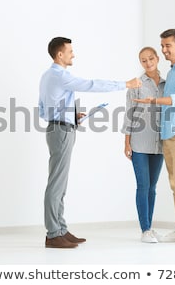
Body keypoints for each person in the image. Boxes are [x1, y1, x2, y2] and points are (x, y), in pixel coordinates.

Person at [38, 36, 141, 249]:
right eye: (70, 51)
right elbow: (90, 85)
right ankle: (53, 234)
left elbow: (43, 109)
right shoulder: (59, 75)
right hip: (61, 131)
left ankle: (60, 229)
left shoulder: (47, 76)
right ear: (60, 54)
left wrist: (70, 114)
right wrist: (125, 84)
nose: (73, 54)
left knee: (60, 183)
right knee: (57, 183)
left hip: (59, 127)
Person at [134, 29, 175, 245]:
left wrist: (152, 101)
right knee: (174, 183)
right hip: (167, 134)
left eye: (167, 46)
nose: (164, 51)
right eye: (162, 46)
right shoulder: (172, 72)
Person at [123, 47, 165, 243]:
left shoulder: (166, 84)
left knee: (153, 187)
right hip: (139, 142)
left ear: (157, 58)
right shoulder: (136, 84)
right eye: (143, 61)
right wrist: (127, 142)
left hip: (159, 143)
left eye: (150, 59)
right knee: (143, 185)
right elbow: (129, 113)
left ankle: (150, 227)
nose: (148, 63)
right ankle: (145, 230)